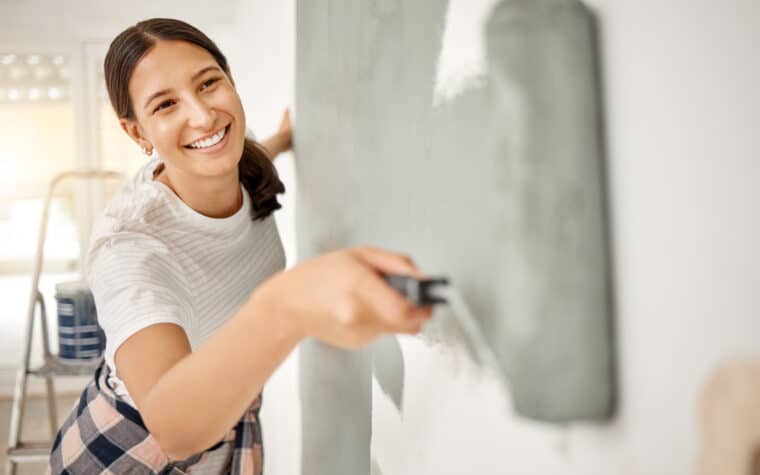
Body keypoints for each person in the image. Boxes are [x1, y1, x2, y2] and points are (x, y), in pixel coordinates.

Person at [49, 18, 432, 475]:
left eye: (208, 84)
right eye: (166, 104)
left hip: (227, 423)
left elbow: (247, 156)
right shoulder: (128, 248)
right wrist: (287, 304)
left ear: (229, 78)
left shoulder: (237, 157)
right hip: (130, 449)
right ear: (137, 133)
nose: (203, 116)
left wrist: (286, 139)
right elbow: (173, 430)